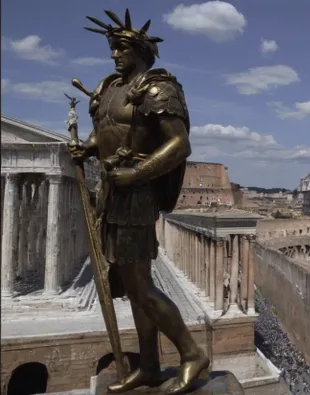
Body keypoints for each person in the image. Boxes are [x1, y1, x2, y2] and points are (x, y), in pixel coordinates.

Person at [67, 9, 208, 395]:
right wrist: (86, 149)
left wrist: (137, 174)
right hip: (112, 194)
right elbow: (106, 132)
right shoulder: (110, 86)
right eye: (112, 48)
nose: (114, 54)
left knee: (142, 287)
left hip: (137, 197)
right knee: (131, 286)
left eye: (122, 48)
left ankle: (192, 353)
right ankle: (148, 365)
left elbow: (179, 145)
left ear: (142, 50)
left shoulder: (158, 88)